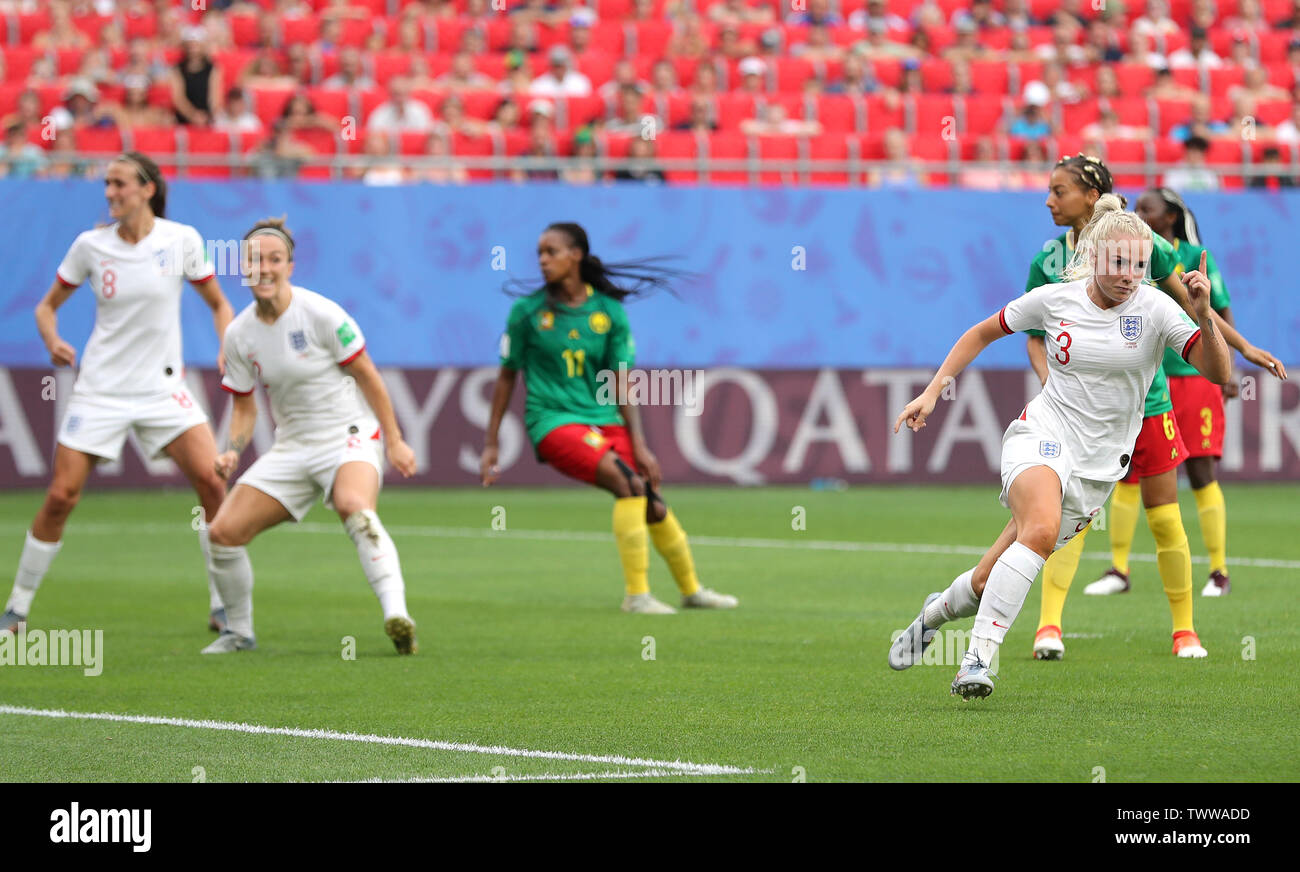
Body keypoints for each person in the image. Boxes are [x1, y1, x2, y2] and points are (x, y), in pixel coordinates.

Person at [888, 195, 1234, 699]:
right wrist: (932, 390)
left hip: (1097, 469)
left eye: (1138, 264)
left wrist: (1202, 315)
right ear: (1094, 256)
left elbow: (1218, 372)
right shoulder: (1055, 299)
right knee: (1042, 531)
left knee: (988, 580)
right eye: (1118, 262)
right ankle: (976, 662)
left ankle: (933, 615)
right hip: (1044, 435)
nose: (1129, 274)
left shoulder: (1158, 309)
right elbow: (982, 331)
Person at [1022, 158, 1284, 662]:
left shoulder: (1144, 242)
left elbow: (1193, 304)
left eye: (1058, 191)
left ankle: (1185, 631)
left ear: (1091, 192)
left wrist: (1244, 347)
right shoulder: (1048, 260)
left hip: (1149, 404)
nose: (1049, 201)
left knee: (1165, 517)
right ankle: (1048, 627)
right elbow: (1032, 338)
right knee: (1068, 518)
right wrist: (1052, 386)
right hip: (1080, 416)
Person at [1, 152, 237, 637]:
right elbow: (46, 308)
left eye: (119, 184)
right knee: (62, 496)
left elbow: (218, 303)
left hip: (162, 389)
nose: (109, 192)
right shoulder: (91, 245)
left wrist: (228, 348)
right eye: (107, 184)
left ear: (148, 189)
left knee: (213, 484)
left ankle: (223, 603)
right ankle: (17, 610)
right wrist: (53, 341)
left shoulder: (181, 241)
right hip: (101, 390)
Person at [479, 223, 738, 615]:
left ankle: (691, 591)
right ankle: (637, 597)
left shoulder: (609, 312)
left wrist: (640, 444)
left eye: (551, 251)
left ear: (576, 255)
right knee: (627, 483)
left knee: (653, 505)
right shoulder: (526, 313)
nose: (542, 260)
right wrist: (492, 441)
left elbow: (621, 383)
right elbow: (506, 377)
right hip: (553, 420)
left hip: (603, 417)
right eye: (540, 253)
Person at [203, 217, 419, 654]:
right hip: (293, 447)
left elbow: (369, 377)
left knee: (353, 506)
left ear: (290, 266)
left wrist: (394, 440)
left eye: (274, 260)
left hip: (348, 434)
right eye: (254, 260)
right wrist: (232, 451)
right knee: (221, 534)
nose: (263, 268)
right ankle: (239, 633)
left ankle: (397, 615)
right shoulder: (240, 334)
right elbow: (244, 406)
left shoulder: (321, 313)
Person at [1081, 188, 1236, 597]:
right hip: (1148, 381)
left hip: (1194, 375)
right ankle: (1119, 569)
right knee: (1128, 472)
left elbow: (1217, 311)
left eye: (1148, 209)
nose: (1140, 215)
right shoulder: (1130, 252)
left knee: (1201, 471)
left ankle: (1218, 571)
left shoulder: (1192, 255)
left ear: (1169, 217)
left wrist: (1237, 359)